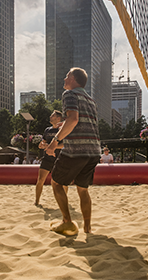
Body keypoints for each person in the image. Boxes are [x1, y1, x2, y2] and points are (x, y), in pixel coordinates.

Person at [45, 68, 101, 235]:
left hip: (76, 150)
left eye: (67, 75)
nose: (64, 78)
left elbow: (74, 119)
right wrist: (66, 126)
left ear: (75, 79)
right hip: (93, 150)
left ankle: (67, 222)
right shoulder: (90, 99)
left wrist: (54, 142)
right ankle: (88, 228)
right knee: (83, 189)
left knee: (56, 182)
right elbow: (84, 122)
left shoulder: (70, 94)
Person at [34, 110, 65, 206]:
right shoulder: (47, 130)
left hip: (59, 158)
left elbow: (65, 145)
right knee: (40, 180)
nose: (50, 117)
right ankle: (37, 201)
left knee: (61, 182)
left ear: (58, 118)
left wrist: (52, 147)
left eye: (52, 115)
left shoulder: (63, 129)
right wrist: (42, 145)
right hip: (47, 158)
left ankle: (63, 201)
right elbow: (41, 143)